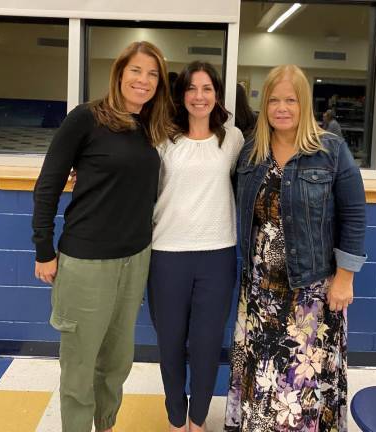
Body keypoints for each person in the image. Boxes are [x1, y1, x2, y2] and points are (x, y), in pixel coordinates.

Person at [32, 41, 175, 432]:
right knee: (80, 364)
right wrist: (44, 249)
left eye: (152, 74)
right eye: (136, 71)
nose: (143, 81)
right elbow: (48, 185)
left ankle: (106, 424)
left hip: (135, 259)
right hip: (86, 261)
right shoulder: (86, 118)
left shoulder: (151, 127)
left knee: (116, 361)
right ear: (119, 72)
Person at [225, 64, 366, 431]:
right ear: (264, 105)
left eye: (290, 99)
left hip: (312, 290)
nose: (282, 107)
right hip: (259, 290)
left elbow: (354, 214)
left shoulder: (330, 150)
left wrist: (345, 278)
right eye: (274, 100)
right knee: (265, 373)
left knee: (302, 382)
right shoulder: (252, 151)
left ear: (304, 104)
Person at [148, 61, 244, 432]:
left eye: (207, 88)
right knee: (170, 346)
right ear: (181, 94)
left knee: (206, 347)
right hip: (167, 254)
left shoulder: (232, 139)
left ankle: (198, 420)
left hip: (218, 256)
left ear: (217, 95)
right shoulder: (162, 138)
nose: (199, 96)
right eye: (192, 88)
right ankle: (176, 419)